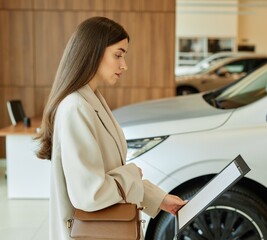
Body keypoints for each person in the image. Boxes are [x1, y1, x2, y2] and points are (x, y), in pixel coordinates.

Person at [35, 16, 187, 240]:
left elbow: (108, 175)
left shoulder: (91, 100)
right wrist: (132, 174)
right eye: (118, 55)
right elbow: (90, 193)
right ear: (93, 52)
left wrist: (159, 199)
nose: (124, 65)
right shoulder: (76, 107)